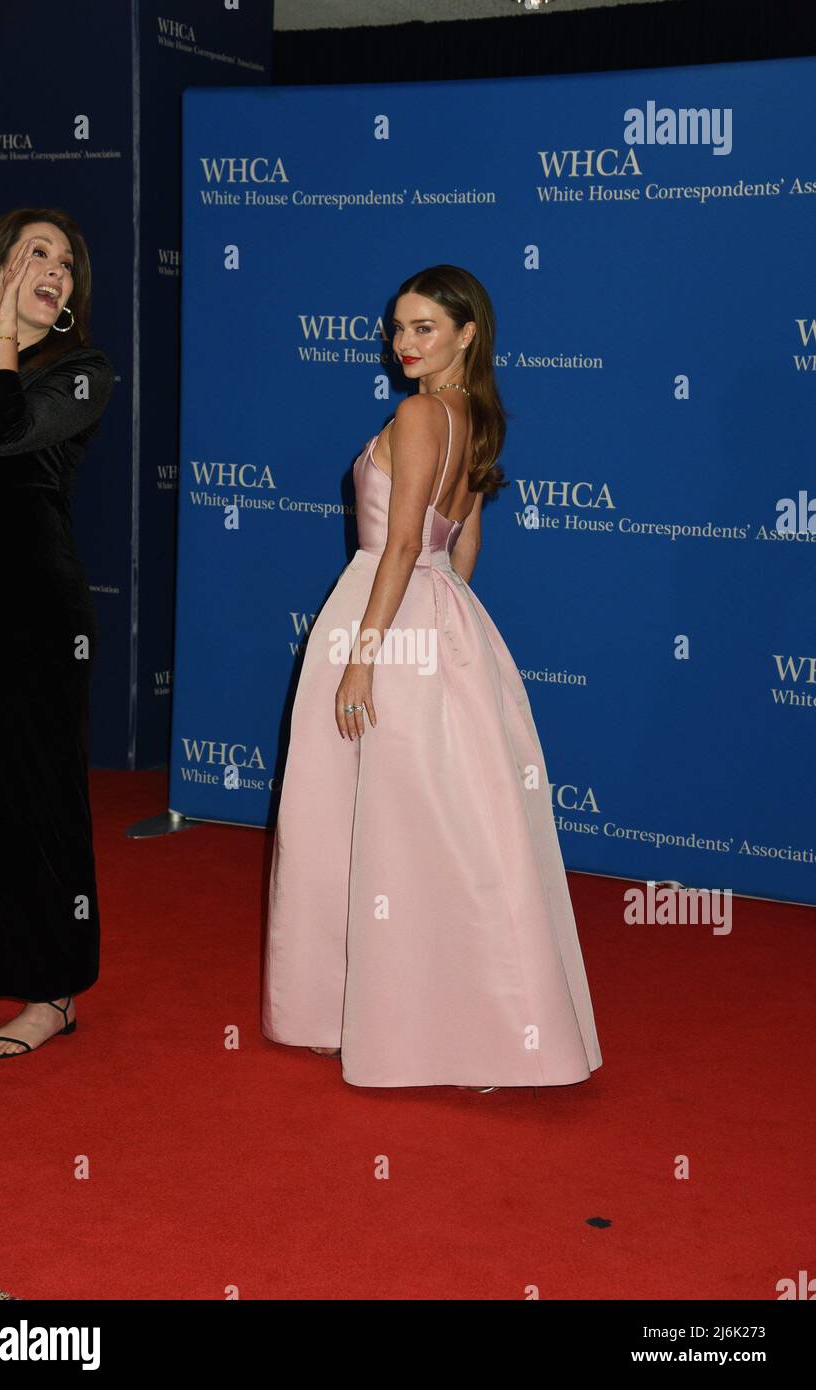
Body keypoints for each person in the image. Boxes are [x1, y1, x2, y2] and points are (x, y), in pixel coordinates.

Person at [262, 264, 601, 1091]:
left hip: (379, 610)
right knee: (436, 826)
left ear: (465, 333)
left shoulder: (418, 413)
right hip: (442, 616)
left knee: (365, 820)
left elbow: (404, 542)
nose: (403, 344)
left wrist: (362, 658)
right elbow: (462, 548)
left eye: (423, 328)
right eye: (398, 328)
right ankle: (455, 1022)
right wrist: (442, 635)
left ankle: (385, 1017)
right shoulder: (476, 420)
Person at [0, 208, 114, 1058]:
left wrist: (9, 338)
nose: (54, 269)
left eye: (64, 263)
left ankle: (54, 989)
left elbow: (7, 433)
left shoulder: (81, 371)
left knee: (36, 802)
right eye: (33, 253)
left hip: (34, 618)